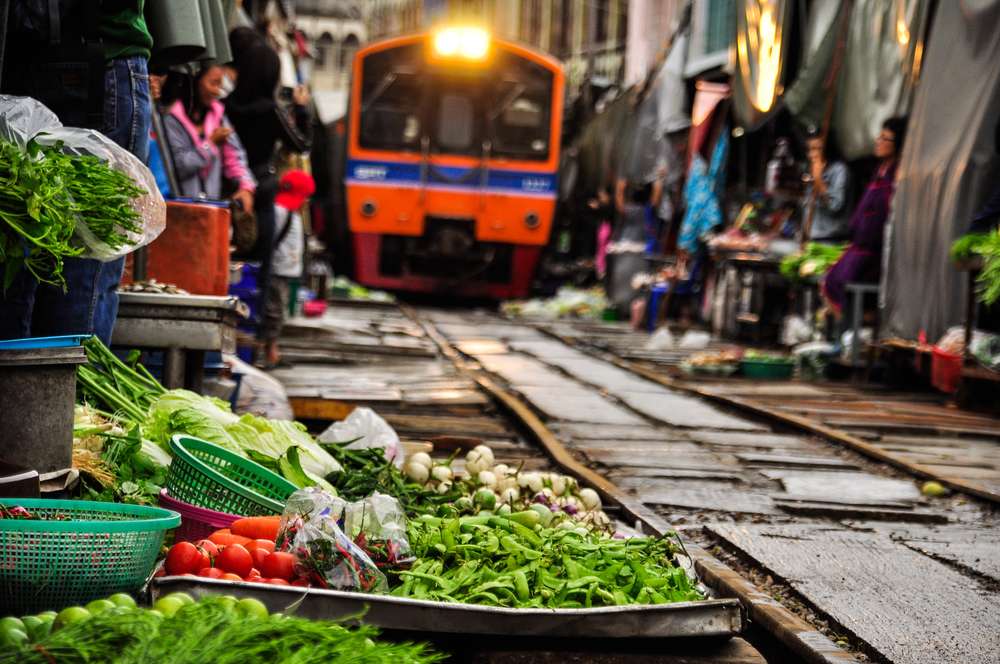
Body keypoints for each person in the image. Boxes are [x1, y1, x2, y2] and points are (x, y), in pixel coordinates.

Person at [0, 1, 152, 344]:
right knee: (85, 264)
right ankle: (70, 394)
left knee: (24, 257)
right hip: (97, 56)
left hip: (36, 58)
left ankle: (40, 393)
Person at [822, 117, 908, 316]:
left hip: (873, 254)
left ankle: (852, 334)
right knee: (830, 279)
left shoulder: (896, 176)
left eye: (885, 139)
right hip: (858, 248)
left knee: (845, 279)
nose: (878, 141)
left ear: (897, 145)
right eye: (880, 136)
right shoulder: (878, 173)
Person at [160, 64, 256, 211]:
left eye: (220, 84)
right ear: (195, 81)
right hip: (180, 210)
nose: (217, 90)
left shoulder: (218, 116)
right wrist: (210, 145)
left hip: (211, 209)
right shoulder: (171, 119)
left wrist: (246, 186)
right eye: (213, 83)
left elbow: (235, 156)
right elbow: (178, 166)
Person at [260, 170, 315, 369]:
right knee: (274, 312)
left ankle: (272, 350)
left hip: (284, 269)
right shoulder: (281, 211)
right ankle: (269, 352)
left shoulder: (290, 212)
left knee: (277, 311)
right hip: (277, 269)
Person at [802, 130, 852, 242]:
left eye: (817, 149)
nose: (812, 154)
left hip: (831, 239)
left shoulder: (839, 170)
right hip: (812, 237)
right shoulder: (812, 171)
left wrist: (819, 180)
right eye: (810, 149)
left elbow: (835, 206)